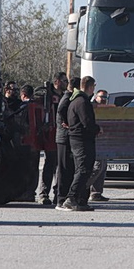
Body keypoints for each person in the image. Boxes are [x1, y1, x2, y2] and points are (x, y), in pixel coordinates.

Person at [57, 76, 101, 212]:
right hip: (81, 140)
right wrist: (97, 129)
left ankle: (80, 200)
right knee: (83, 169)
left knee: (82, 169)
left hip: (76, 139)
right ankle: (71, 198)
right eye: (94, 86)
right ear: (90, 86)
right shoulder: (82, 101)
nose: (94, 89)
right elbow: (87, 122)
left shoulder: (75, 100)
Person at [35, 72, 66, 205]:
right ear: (57, 81)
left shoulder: (65, 96)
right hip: (50, 133)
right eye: (64, 81)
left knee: (61, 167)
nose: (66, 83)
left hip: (61, 133)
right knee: (50, 164)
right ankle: (44, 194)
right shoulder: (46, 96)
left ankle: (58, 193)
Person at [53, 75, 76, 207]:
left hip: (66, 137)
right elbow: (61, 111)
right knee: (62, 168)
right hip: (63, 138)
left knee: (67, 168)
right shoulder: (67, 97)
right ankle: (60, 198)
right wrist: (65, 122)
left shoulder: (68, 97)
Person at [88, 89, 110, 202]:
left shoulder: (107, 110)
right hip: (94, 141)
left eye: (106, 98)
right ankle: (84, 187)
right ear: (96, 97)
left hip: (104, 142)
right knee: (97, 166)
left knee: (103, 167)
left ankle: (96, 193)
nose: (104, 100)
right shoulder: (92, 108)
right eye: (102, 97)